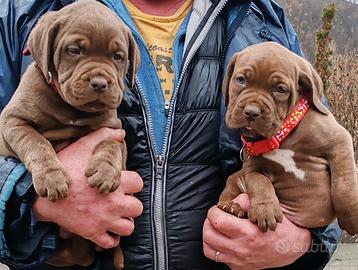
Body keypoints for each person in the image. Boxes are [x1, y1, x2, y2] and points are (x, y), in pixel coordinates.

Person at [0, 0, 341, 269]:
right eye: (76, 51)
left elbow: (328, 157)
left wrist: (295, 242)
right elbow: (12, 129)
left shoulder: (262, 20)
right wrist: (32, 199)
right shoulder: (26, 14)